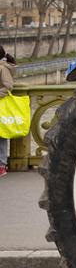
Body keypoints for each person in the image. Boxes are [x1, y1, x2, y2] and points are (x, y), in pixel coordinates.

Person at [0, 46, 16, 177]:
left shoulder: (2, 67)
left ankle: (1, 165)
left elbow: (8, 86)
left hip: (1, 106)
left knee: (1, 135)